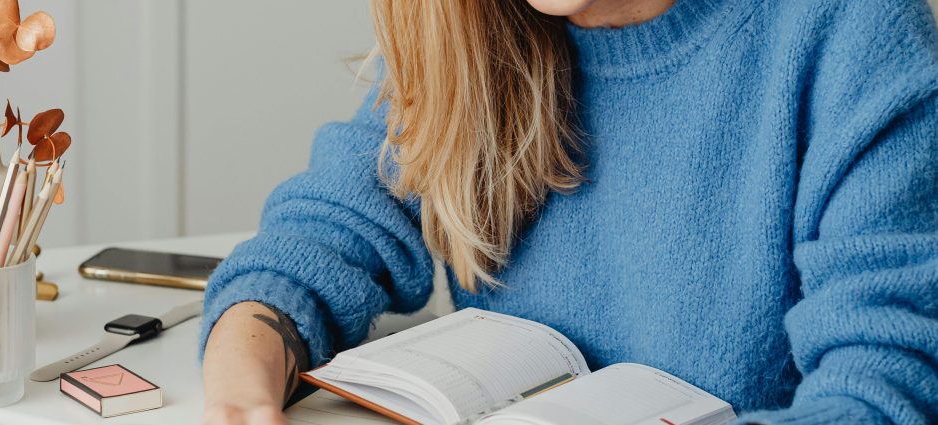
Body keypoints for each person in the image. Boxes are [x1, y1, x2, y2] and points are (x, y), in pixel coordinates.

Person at [200, 0, 938, 423]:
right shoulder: (470, 27)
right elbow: (327, 234)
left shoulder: (850, 36)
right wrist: (247, 363)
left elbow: (885, 391)